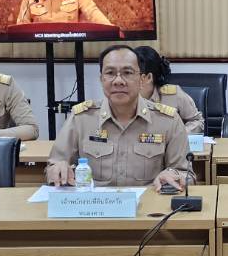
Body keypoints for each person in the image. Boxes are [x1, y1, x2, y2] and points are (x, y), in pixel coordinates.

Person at [46, 44, 191, 190]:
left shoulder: (168, 120)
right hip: (95, 203)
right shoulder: (81, 118)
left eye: (127, 73)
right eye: (110, 73)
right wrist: (57, 169)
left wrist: (173, 174)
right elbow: (53, 166)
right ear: (101, 79)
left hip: (148, 203)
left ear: (142, 80)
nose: (118, 81)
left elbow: (185, 173)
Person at [136, 46, 204, 136]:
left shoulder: (173, 95)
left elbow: (197, 121)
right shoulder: (123, 97)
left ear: (149, 77)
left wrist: (179, 135)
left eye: (130, 73)